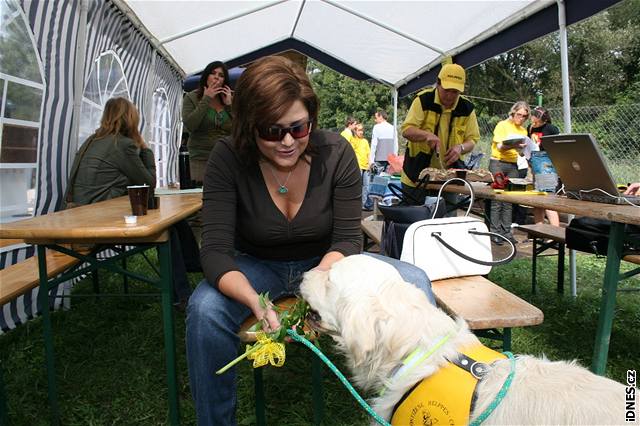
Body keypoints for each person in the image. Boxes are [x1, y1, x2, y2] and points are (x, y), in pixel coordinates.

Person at [185, 55, 435, 426]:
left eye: (298, 129)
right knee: (204, 310)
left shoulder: (337, 153)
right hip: (257, 266)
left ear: (311, 121)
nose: (287, 142)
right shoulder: (228, 157)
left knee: (415, 280)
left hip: (329, 264)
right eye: (272, 131)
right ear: (250, 126)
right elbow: (216, 252)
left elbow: (349, 238)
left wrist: (316, 284)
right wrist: (254, 301)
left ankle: (419, 410)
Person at [65, 97, 200, 308]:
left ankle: (192, 266)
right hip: (99, 221)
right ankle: (182, 295)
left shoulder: (91, 141)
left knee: (176, 222)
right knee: (169, 229)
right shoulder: (123, 144)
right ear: (130, 118)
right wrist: (145, 149)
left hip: (78, 217)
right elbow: (148, 182)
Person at [400, 63, 480, 211]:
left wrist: (460, 148)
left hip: (449, 179)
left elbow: (472, 140)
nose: (450, 96)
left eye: (455, 91)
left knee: (445, 223)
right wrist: (426, 135)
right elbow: (406, 130)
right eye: (447, 90)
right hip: (416, 176)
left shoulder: (467, 108)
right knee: (413, 221)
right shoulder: (423, 100)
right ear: (438, 83)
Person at [182, 60, 234, 185]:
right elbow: (191, 125)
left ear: (224, 81)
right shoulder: (191, 97)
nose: (217, 77)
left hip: (226, 159)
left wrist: (229, 106)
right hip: (200, 160)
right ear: (206, 76)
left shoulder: (230, 99)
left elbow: (239, 130)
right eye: (213, 73)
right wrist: (206, 98)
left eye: (221, 75)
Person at [489, 101, 531, 245]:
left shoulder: (523, 131)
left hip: (513, 164)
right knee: (498, 199)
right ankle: (495, 232)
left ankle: (506, 232)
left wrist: (524, 149)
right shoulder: (502, 125)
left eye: (525, 116)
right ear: (513, 113)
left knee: (509, 200)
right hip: (498, 163)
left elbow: (520, 153)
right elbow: (500, 146)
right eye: (519, 115)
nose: (521, 118)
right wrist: (513, 145)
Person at [528, 106, 560, 226]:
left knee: (547, 200)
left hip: (547, 163)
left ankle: (554, 232)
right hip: (535, 162)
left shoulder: (551, 129)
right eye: (533, 117)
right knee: (537, 201)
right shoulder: (530, 128)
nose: (534, 120)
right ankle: (538, 231)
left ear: (544, 119)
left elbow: (557, 146)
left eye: (537, 118)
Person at [349, 123, 371, 209]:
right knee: (357, 185)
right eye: (359, 130)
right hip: (358, 166)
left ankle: (363, 204)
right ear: (355, 131)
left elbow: (369, 153)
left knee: (366, 186)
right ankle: (355, 204)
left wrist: (370, 164)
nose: (361, 132)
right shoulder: (353, 140)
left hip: (366, 166)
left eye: (362, 130)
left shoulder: (365, 141)